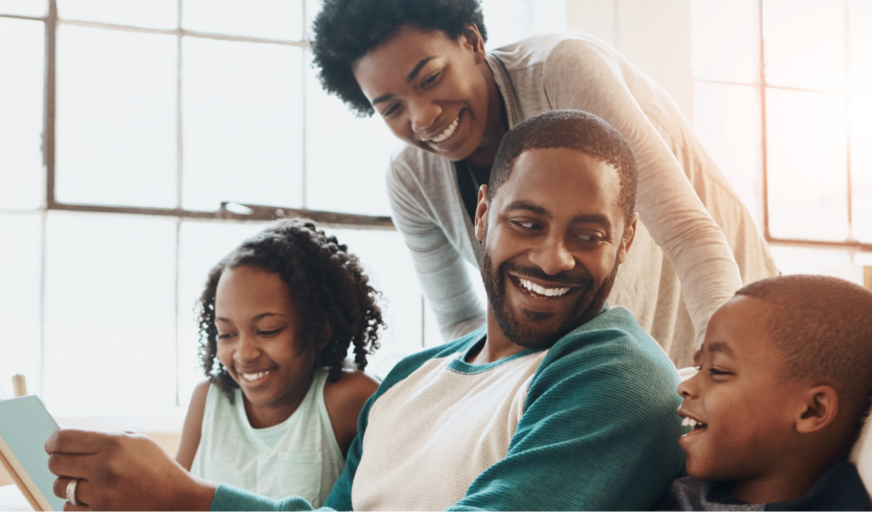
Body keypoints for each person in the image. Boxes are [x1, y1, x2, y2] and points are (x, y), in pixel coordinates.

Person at [46, 110, 685, 512]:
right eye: (527, 222)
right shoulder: (410, 378)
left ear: (625, 240)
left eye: (589, 235)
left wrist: (191, 502)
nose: (553, 259)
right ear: (484, 213)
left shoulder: (612, 369)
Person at [310, 0, 779, 366]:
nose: (423, 116)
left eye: (431, 77)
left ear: (472, 41)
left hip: (723, 312)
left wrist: (720, 365)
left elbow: (687, 233)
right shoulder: (411, 180)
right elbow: (460, 321)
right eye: (391, 108)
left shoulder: (563, 71)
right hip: (605, 367)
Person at [174, 220, 383, 507]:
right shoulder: (207, 400)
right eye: (227, 334)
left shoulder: (347, 400)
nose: (244, 353)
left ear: (320, 330)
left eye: (268, 330)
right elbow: (172, 498)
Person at [656, 275, 872, 511]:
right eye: (699, 367)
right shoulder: (680, 488)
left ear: (812, 410)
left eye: (717, 370)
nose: (684, 386)